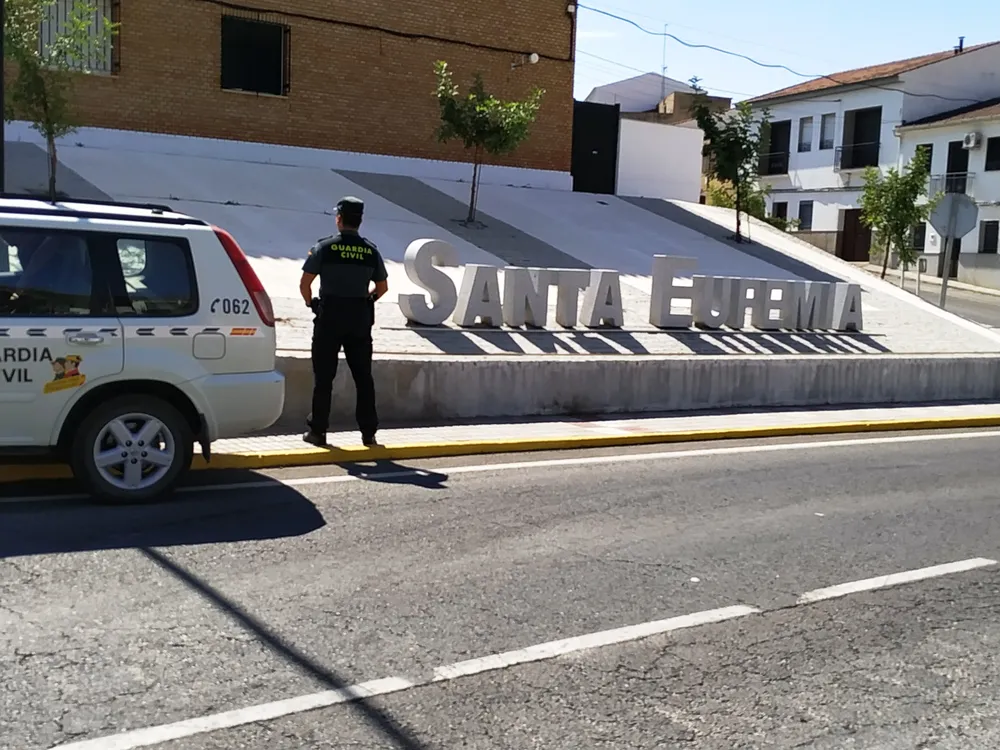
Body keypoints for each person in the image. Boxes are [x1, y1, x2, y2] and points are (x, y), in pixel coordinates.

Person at [299, 196, 389, 447]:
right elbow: (382, 287)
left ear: (339, 218)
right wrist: (366, 300)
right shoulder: (371, 250)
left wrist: (312, 304)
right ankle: (368, 433)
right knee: (363, 377)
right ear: (360, 221)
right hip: (359, 319)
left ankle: (318, 431)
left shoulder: (325, 247)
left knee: (324, 378)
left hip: (329, 318)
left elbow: (305, 284)